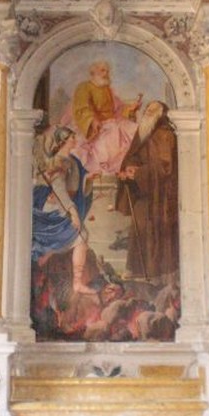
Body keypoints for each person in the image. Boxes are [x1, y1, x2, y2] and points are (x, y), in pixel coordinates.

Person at [114, 101, 180, 282]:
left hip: (160, 196)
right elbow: (132, 155)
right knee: (139, 227)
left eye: (152, 111)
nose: (147, 114)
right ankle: (135, 269)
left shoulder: (165, 135)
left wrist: (138, 173)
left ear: (160, 115)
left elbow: (165, 168)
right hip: (142, 192)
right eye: (147, 110)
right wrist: (128, 168)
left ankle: (155, 274)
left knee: (154, 231)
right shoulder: (143, 133)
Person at [31, 126, 94, 294]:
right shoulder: (59, 161)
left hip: (63, 203)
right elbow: (59, 188)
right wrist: (72, 212)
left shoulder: (72, 160)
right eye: (72, 137)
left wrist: (88, 180)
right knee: (80, 235)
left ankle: (76, 282)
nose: (75, 139)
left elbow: (76, 185)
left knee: (80, 236)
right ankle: (76, 283)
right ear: (63, 141)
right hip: (54, 206)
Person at [65, 60, 143, 177]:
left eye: (107, 71)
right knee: (110, 143)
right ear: (93, 73)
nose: (106, 73)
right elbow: (82, 107)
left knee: (136, 130)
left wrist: (131, 108)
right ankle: (112, 171)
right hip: (96, 126)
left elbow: (118, 108)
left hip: (113, 123)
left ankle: (130, 170)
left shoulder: (107, 89)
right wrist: (92, 120)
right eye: (102, 70)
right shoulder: (84, 87)